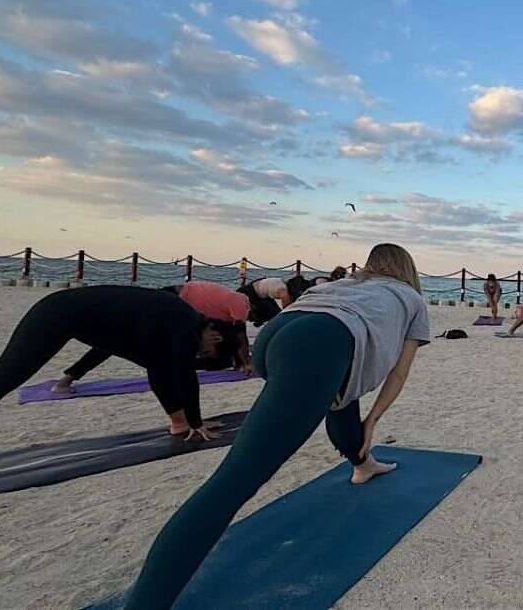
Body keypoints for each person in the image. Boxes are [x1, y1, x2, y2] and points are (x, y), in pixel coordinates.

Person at [122, 243, 431, 608]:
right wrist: (374, 420)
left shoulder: (347, 283)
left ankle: (363, 466)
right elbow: (399, 373)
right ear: (408, 269)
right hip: (316, 343)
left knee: (339, 395)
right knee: (234, 482)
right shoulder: (411, 298)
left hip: (275, 336)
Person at [0, 286, 224, 439]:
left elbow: (159, 371)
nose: (202, 354)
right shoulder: (187, 325)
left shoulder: (177, 324)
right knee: (4, 377)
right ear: (214, 334)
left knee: (159, 365)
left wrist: (184, 423)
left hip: (74, 315)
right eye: (208, 352)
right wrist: (197, 422)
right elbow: (185, 376)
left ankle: (177, 423)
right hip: (56, 313)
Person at [47, 280, 253, 394]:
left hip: (171, 297)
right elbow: (239, 335)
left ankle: (67, 379)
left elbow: (228, 338)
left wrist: (240, 362)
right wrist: (246, 362)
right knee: (115, 343)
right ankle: (66, 380)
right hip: (170, 302)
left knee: (117, 342)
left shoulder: (226, 303)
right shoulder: (240, 304)